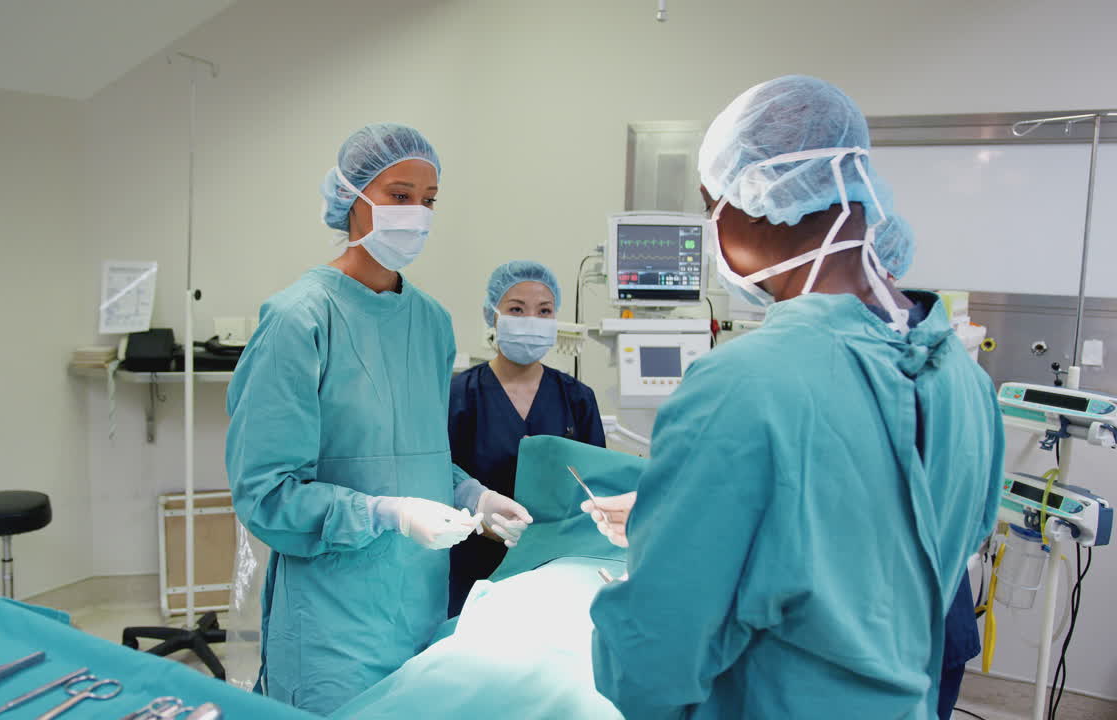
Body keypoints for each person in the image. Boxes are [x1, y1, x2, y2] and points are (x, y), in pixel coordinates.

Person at [586, 76, 1004, 719]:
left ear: (759, 200)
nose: (711, 227)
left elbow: (655, 656)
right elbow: (882, 542)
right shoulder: (967, 384)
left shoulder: (743, 383)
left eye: (710, 205)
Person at [225, 122, 529, 715]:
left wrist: (475, 497)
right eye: (399, 194)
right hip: (331, 625)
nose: (417, 212)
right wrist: (383, 514)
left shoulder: (432, 323)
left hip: (420, 604)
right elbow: (265, 494)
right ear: (352, 198)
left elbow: (413, 458)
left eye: (428, 199)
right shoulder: (299, 320)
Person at [447, 261, 604, 616]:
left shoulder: (577, 398)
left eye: (544, 311)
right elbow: (437, 477)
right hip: (472, 568)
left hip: (556, 569)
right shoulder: (459, 395)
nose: (531, 319)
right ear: (493, 315)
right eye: (517, 309)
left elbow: (595, 486)